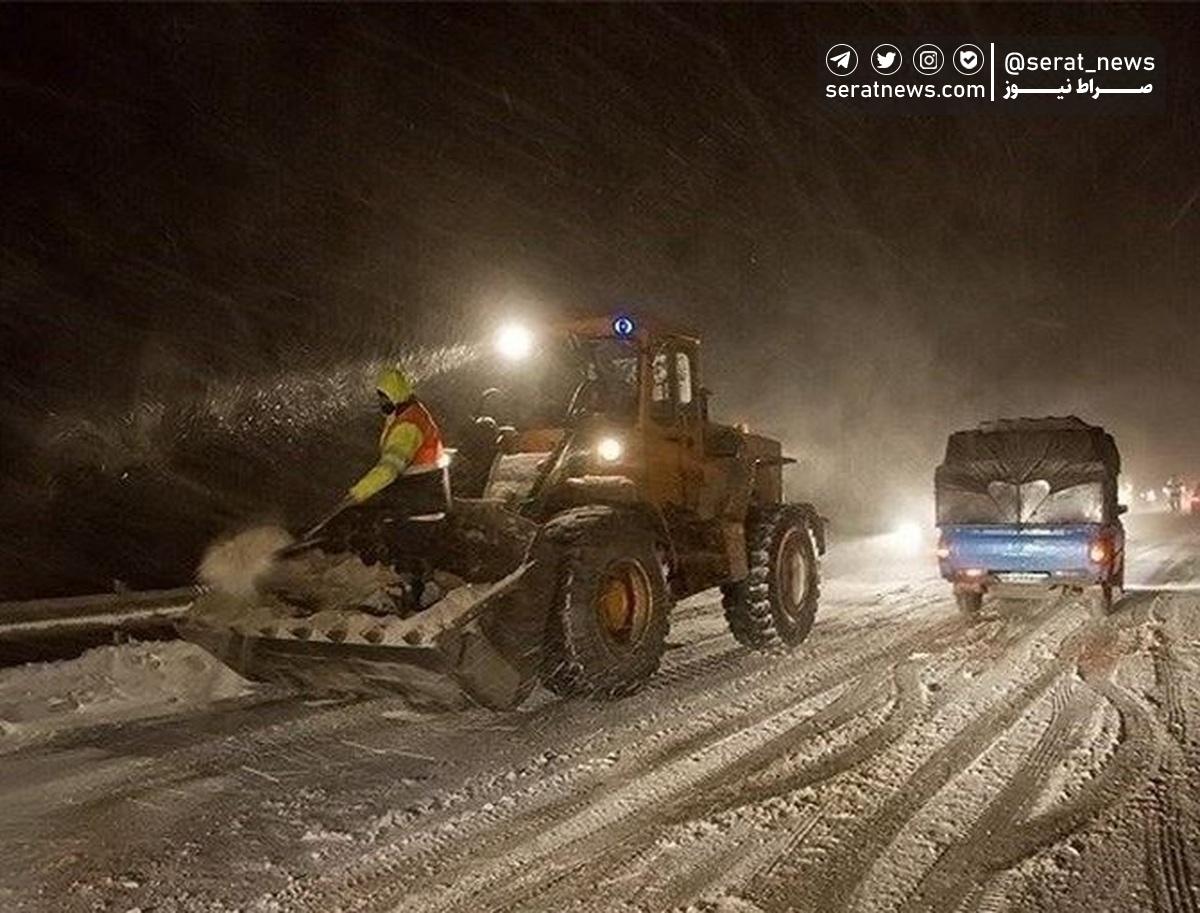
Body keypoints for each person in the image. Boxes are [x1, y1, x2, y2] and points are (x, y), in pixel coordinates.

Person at [347, 366, 450, 518]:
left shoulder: (408, 426)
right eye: (380, 396)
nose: (382, 402)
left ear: (394, 395)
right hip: (428, 496)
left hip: (420, 504)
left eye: (385, 397)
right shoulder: (412, 410)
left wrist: (358, 493)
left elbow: (390, 467)